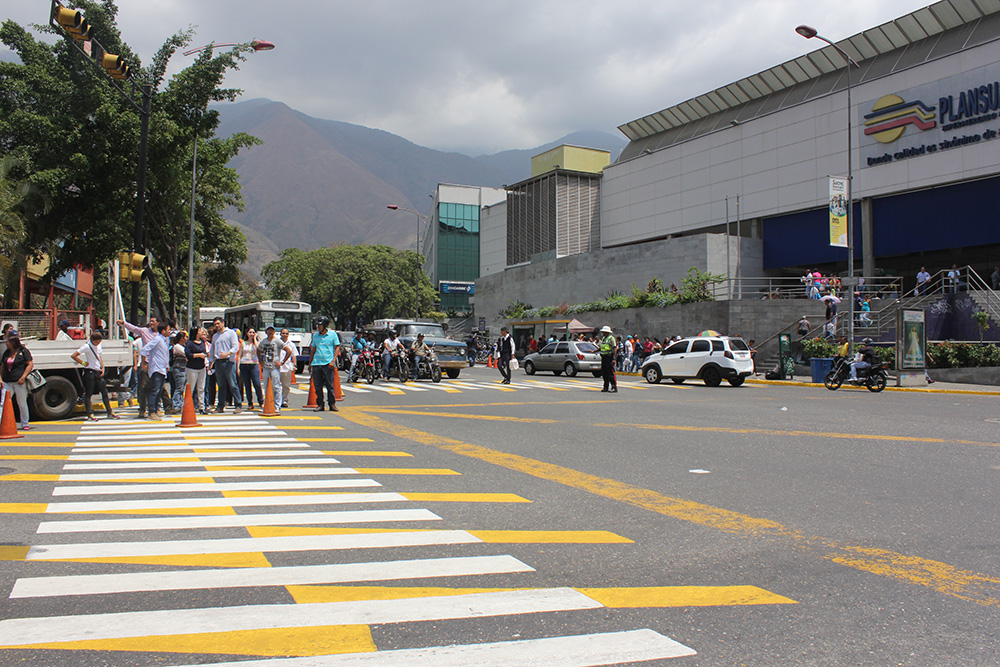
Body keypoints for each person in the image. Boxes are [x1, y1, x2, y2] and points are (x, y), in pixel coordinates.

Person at [71, 331, 119, 421]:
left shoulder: (99, 345)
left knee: (104, 392)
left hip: (98, 371)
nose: (98, 344)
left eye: (99, 342)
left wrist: (102, 367)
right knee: (89, 393)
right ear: (92, 340)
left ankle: (110, 412)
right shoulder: (87, 347)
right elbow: (74, 355)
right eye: (96, 342)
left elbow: (99, 357)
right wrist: (83, 363)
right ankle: (89, 414)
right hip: (90, 372)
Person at [117, 317, 159, 418]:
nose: (151, 323)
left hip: (157, 365)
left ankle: (154, 408)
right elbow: (134, 329)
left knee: (156, 388)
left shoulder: (160, 335)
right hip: (146, 364)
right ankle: (142, 409)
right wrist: (124, 323)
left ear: (158, 323)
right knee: (143, 388)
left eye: (154, 321)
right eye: (151, 321)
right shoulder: (144, 332)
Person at [209, 316, 242, 414]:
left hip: (229, 361)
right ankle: (220, 406)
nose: (217, 326)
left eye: (218, 323)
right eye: (215, 324)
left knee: (232, 384)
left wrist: (227, 353)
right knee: (221, 385)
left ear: (223, 323)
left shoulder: (231, 333)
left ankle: (238, 404)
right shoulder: (215, 336)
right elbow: (212, 350)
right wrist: (211, 362)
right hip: (218, 362)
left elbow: (235, 347)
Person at [1, 332, 33, 431]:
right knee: (3, 403)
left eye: (8, 342)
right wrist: (1, 379)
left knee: (21, 403)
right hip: (7, 382)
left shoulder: (23, 351)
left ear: (13, 342)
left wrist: (23, 377)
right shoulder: (7, 353)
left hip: (19, 382)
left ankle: (25, 423)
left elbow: (30, 364)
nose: (6, 344)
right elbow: (2, 366)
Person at [140, 322, 171, 420]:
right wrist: (144, 362)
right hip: (156, 368)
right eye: (168, 329)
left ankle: (156, 409)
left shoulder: (165, 340)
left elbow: (164, 354)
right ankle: (151, 411)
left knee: (159, 390)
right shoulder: (157, 339)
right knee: (155, 390)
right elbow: (145, 349)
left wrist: (166, 365)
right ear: (163, 331)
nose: (170, 331)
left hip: (162, 368)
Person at [258, 325, 291, 413]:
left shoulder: (277, 341)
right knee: (266, 387)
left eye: (272, 331)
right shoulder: (263, 341)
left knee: (276, 386)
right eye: (268, 331)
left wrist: (282, 362)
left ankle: (277, 405)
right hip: (266, 367)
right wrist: (260, 361)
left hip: (274, 367)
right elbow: (258, 349)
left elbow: (288, 350)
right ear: (266, 332)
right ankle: (267, 403)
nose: (270, 333)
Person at [310, 316, 340, 412]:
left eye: (320, 325)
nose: (318, 327)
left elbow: (337, 348)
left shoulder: (333, 335)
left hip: (328, 363)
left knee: (329, 385)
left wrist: (333, 361)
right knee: (317, 386)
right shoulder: (315, 336)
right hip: (317, 363)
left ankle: (332, 404)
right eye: (317, 325)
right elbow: (313, 349)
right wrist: (310, 363)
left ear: (325, 325)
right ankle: (320, 404)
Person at [238, 328, 264, 410]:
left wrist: (255, 339)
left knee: (257, 384)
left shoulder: (256, 343)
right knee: (247, 385)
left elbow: (258, 349)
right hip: (244, 364)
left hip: (254, 364)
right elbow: (240, 355)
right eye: (250, 332)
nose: (251, 334)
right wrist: (238, 367)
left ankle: (261, 401)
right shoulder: (243, 343)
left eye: (253, 332)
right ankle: (250, 403)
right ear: (247, 333)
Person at [185, 327, 209, 414]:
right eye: (199, 331)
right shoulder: (190, 343)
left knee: (201, 388)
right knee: (191, 388)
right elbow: (188, 354)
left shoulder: (202, 343)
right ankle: (188, 406)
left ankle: (201, 407)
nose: (201, 332)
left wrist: (206, 355)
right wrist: (199, 355)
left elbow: (204, 352)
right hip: (192, 368)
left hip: (201, 367)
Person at [169, 330, 188, 413]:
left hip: (183, 368)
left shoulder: (183, 346)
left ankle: (179, 404)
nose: (187, 338)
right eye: (185, 337)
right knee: (179, 388)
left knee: (181, 388)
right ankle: (176, 404)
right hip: (179, 369)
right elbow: (186, 354)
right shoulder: (177, 347)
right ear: (181, 338)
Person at [279, 328, 299, 408]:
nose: (285, 335)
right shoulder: (277, 342)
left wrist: (294, 365)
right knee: (276, 385)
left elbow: (294, 355)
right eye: (283, 333)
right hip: (277, 367)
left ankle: (284, 401)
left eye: (286, 333)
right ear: (280, 334)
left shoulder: (291, 344)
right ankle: (276, 400)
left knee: (286, 385)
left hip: (286, 367)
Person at [598, 325, 617, 392]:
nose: (602, 333)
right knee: (604, 373)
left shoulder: (611, 338)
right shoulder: (603, 338)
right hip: (604, 357)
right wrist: (594, 351)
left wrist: (614, 359)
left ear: (607, 332)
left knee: (610, 373)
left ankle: (614, 387)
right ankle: (606, 387)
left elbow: (614, 348)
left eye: (604, 332)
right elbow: (601, 347)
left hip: (609, 357)